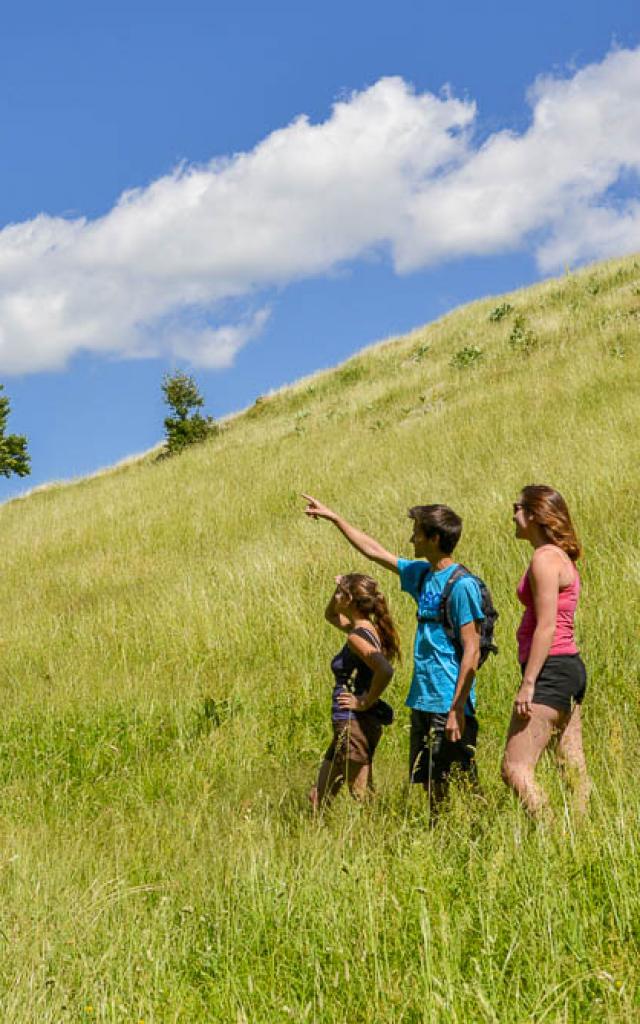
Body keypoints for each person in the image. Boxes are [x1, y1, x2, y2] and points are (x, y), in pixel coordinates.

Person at [303, 496, 485, 807]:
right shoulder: (422, 574)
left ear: (434, 538)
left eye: (417, 532)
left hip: (449, 699)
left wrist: (457, 708)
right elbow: (375, 552)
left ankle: (483, 831)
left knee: (463, 777)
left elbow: (472, 649)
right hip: (424, 698)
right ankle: (440, 837)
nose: (411, 538)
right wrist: (336, 519)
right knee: (430, 783)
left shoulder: (461, 585)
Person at [501, 485, 590, 819]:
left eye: (517, 507)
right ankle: (582, 837)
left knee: (515, 768)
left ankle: (551, 831)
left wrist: (528, 682)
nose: (513, 515)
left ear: (535, 514)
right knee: (571, 764)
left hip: (551, 669)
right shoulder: (558, 556)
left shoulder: (544, 559)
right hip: (568, 668)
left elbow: (547, 626)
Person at [309, 573, 400, 811]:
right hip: (349, 723)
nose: (336, 596)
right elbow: (330, 615)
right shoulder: (366, 628)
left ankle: (380, 838)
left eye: (340, 593)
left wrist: (364, 701)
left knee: (362, 796)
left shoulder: (356, 637)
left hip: (354, 723)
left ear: (349, 600)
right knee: (319, 797)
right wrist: (338, 588)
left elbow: (385, 670)